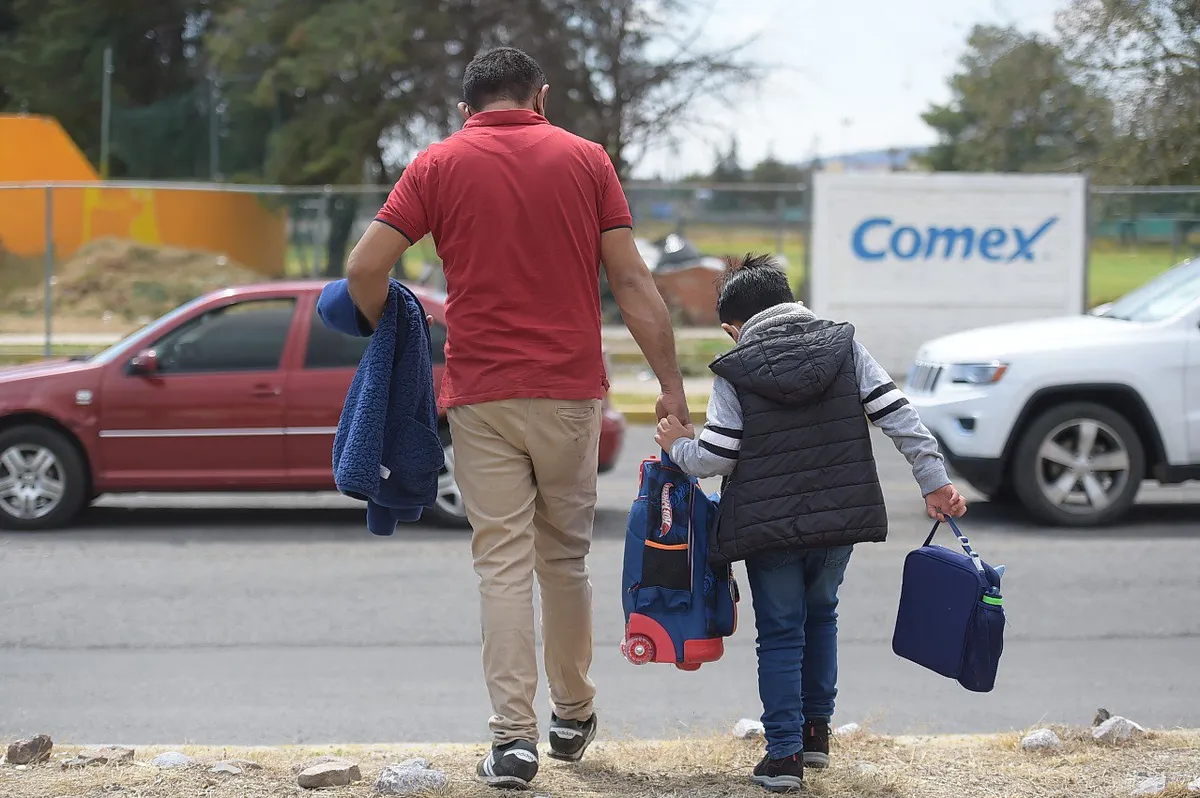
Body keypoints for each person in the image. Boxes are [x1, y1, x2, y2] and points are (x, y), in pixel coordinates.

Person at [343, 47, 689, 789]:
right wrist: (671, 386)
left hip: (481, 396)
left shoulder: (436, 164)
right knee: (563, 559)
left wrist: (382, 325)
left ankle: (512, 742)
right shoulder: (588, 160)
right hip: (569, 392)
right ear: (541, 97)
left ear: (465, 108)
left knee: (500, 566)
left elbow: (365, 269)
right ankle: (572, 714)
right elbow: (631, 280)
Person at [655, 254, 966, 794]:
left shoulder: (735, 369)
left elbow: (716, 458)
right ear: (790, 301)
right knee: (822, 616)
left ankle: (783, 756)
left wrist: (677, 444)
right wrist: (933, 482)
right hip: (839, 521)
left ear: (733, 327)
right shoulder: (845, 346)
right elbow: (898, 415)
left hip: (768, 528)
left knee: (780, 632)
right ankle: (816, 734)